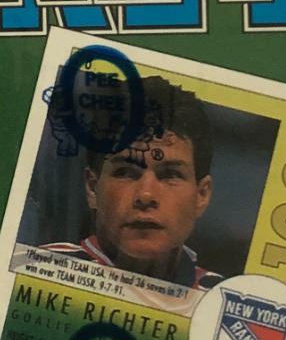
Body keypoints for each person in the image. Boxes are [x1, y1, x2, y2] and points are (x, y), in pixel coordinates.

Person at [46, 76, 221, 288]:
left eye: (170, 175)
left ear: (202, 195)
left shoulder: (223, 299)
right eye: (125, 172)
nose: (146, 195)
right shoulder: (41, 270)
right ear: (92, 188)